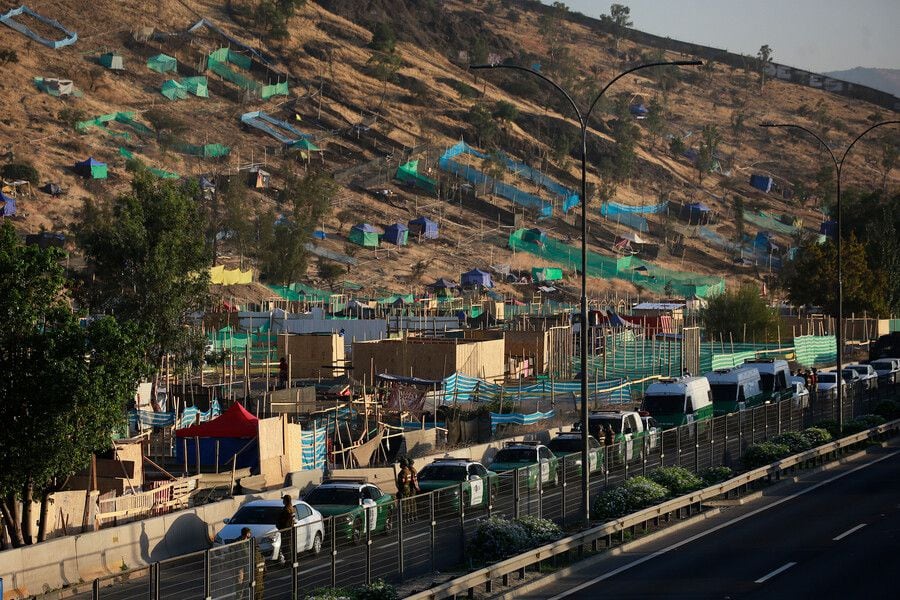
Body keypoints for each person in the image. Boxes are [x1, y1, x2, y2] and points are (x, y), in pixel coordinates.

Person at [237, 527, 265, 600]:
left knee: (251, 583)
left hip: (250, 565)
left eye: (249, 534)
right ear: (244, 535)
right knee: (241, 584)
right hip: (242, 566)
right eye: (247, 534)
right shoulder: (239, 542)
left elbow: (257, 549)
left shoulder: (252, 540)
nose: (248, 536)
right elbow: (243, 553)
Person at [275, 495, 295, 564]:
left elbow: (286, 521)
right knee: (288, 546)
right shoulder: (291, 508)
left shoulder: (287, 509)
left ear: (286, 501)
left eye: (284, 500)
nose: (283, 501)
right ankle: (290, 560)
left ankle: (289, 561)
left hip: (286, 531)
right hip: (289, 530)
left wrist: (281, 526)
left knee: (286, 546)